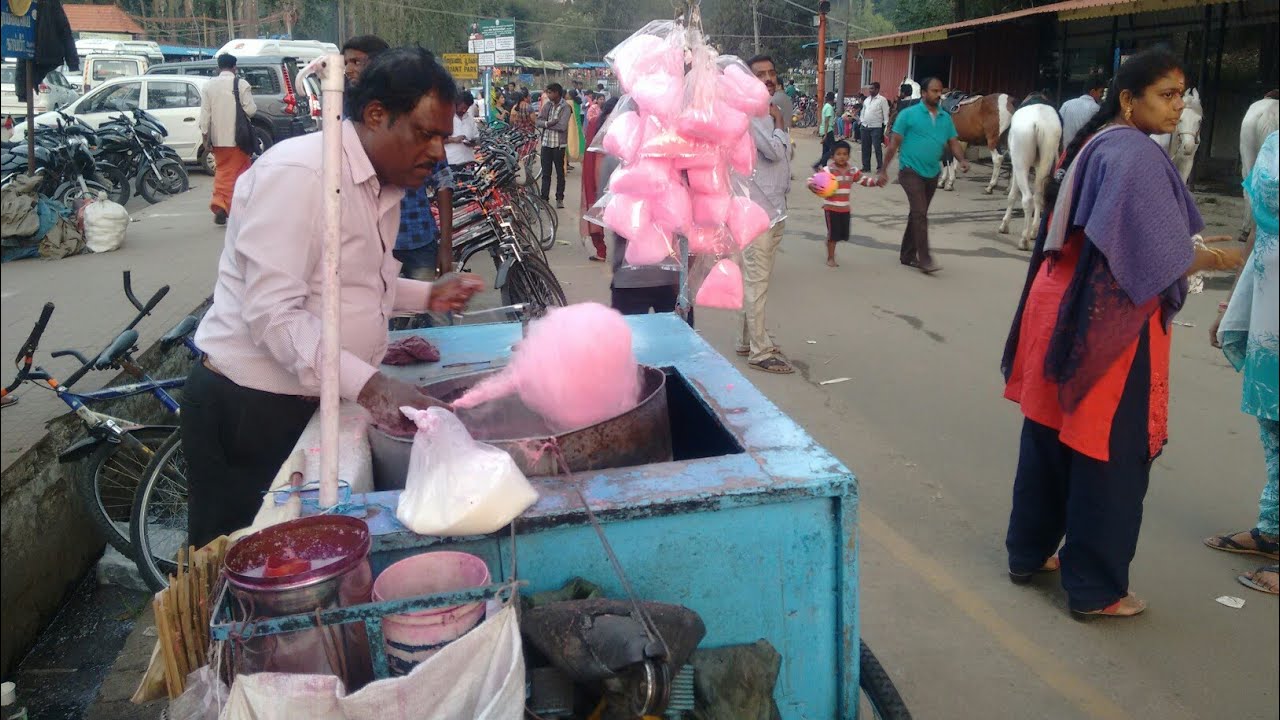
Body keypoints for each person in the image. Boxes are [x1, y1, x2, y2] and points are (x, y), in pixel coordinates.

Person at [183, 48, 484, 547]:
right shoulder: (304, 174)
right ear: (376, 115)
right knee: (247, 557)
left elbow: (349, 283)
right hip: (251, 409)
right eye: (425, 134)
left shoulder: (381, 185)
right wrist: (371, 385)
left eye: (444, 138)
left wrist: (429, 295)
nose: (437, 152)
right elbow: (274, 315)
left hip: (312, 395)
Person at [1000, 48, 1245, 619]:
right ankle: (1096, 589)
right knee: (1108, 449)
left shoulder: (1095, 141)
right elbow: (1153, 256)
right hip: (1105, 318)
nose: (1178, 106)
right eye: (1166, 94)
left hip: (1056, 304)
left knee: (1048, 437)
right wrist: (1219, 258)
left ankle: (1028, 554)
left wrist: (1193, 250)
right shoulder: (1134, 154)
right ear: (1129, 100)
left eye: (1181, 94)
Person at [1205, 130, 1279, 596]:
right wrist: (1232, 303)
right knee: (1273, 422)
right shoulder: (1274, 144)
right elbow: (1258, 230)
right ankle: (1272, 528)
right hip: (1270, 308)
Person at [738, 55, 794, 375]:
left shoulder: (768, 110)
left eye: (772, 72)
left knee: (756, 279)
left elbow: (783, 158)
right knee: (757, 280)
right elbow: (774, 152)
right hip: (758, 210)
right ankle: (759, 351)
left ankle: (747, 340)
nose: (769, 78)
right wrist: (781, 125)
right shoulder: (756, 114)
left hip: (773, 207)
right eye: (760, 74)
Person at [879, 77, 968, 274]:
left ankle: (907, 255)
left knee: (917, 213)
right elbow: (893, 145)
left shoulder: (945, 118)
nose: (938, 95)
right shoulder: (908, 115)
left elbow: (953, 142)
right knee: (920, 213)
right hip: (910, 170)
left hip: (932, 172)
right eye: (934, 91)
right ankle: (925, 259)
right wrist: (883, 169)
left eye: (940, 91)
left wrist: (961, 159)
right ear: (924, 93)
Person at [199, 53, 257, 226]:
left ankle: (225, 205)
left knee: (223, 171)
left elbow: (205, 116)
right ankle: (229, 206)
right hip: (239, 138)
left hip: (218, 139)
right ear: (234, 67)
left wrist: (205, 137)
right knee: (239, 173)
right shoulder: (241, 84)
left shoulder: (209, 86)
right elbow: (251, 110)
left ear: (218, 67)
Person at [815, 140, 879, 267]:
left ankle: (830, 242)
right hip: (831, 208)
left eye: (845, 154)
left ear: (849, 156)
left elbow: (864, 180)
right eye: (838, 154)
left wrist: (877, 182)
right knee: (833, 235)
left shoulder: (852, 170)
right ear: (832, 156)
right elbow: (813, 181)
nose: (842, 157)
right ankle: (830, 257)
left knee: (843, 235)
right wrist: (813, 185)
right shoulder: (828, 170)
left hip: (845, 208)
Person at [581, 96, 615, 262]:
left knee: (597, 207)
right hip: (611, 170)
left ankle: (601, 250)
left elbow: (588, 150)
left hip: (598, 169)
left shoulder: (595, 122)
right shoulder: (625, 123)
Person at [536, 83, 571, 209]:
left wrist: (547, 124)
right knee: (546, 173)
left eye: (550, 92)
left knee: (560, 173)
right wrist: (549, 123)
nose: (548, 95)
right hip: (546, 143)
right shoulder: (548, 105)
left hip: (558, 145)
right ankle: (544, 198)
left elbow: (562, 126)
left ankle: (559, 198)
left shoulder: (566, 107)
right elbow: (538, 121)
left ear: (557, 93)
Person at [1059, 76, 1106, 150]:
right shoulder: (1096, 109)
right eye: (1101, 92)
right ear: (1092, 92)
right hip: (1084, 153)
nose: (1102, 95)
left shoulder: (1066, 104)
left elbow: (1058, 128)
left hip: (1065, 153)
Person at [859, 82, 890, 173]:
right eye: (869, 88)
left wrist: (886, 127)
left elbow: (886, 113)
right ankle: (866, 166)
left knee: (877, 148)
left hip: (876, 127)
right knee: (865, 147)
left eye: (872, 88)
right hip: (865, 126)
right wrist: (862, 120)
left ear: (877, 89)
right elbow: (863, 111)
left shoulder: (882, 100)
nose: (870, 90)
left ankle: (880, 167)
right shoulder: (867, 100)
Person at [445, 90, 478, 169]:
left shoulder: (470, 118)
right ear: (457, 103)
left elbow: (477, 137)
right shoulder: (446, 117)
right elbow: (436, 139)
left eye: (467, 108)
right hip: (452, 162)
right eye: (463, 107)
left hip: (469, 162)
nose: (464, 110)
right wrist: (453, 139)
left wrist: (473, 143)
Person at [814, 92, 837, 171]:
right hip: (828, 130)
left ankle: (824, 166)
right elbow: (827, 121)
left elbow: (822, 119)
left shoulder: (825, 106)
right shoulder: (829, 107)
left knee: (826, 150)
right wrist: (826, 134)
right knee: (833, 149)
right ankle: (818, 164)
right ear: (833, 99)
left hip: (824, 129)